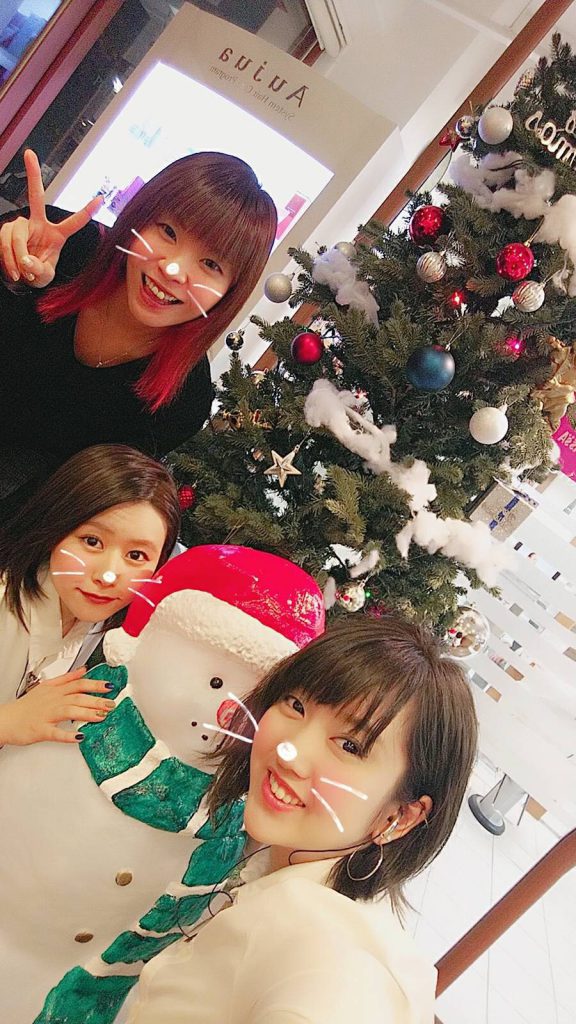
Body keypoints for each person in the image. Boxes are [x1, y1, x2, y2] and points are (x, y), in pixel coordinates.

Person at [117, 615, 477, 1024]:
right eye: (296, 705)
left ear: (401, 816)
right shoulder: (263, 859)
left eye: (349, 745)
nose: (290, 751)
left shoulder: (335, 963)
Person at [0, 149, 277, 515]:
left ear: (230, 291)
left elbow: (69, 500)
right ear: (140, 218)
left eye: (211, 264)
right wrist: (12, 274)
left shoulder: (182, 401)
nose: (174, 270)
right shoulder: (62, 244)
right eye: (168, 232)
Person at [0, 443, 180, 746]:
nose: (107, 575)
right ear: (54, 528)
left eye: (136, 555)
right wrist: (8, 723)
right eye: (92, 541)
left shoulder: (97, 627)